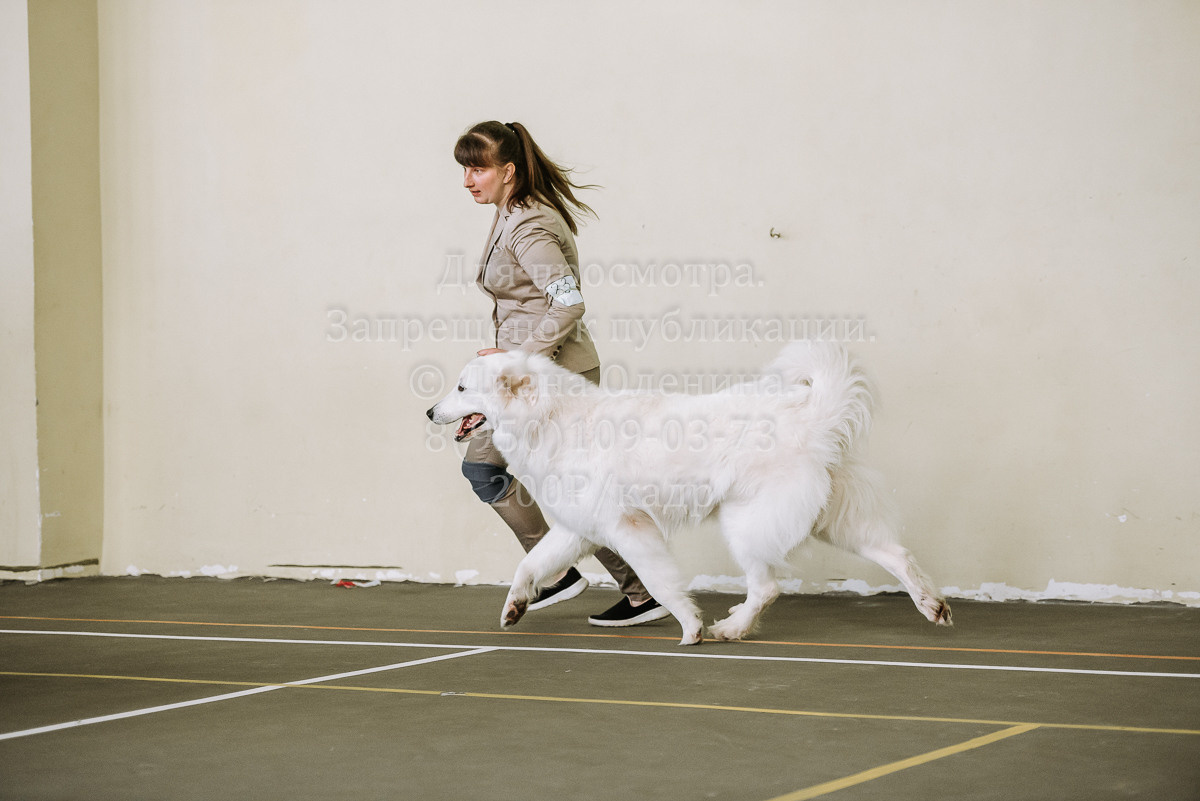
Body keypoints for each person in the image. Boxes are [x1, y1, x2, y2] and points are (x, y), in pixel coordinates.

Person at [452, 120, 669, 627]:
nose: (468, 179)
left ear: (507, 171)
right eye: (464, 169)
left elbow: (568, 304)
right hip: (537, 375)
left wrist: (516, 360)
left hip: (551, 377)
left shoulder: (528, 224)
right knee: (577, 490)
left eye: (477, 168)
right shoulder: (512, 211)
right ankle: (637, 591)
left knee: (496, 471)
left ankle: (569, 576)